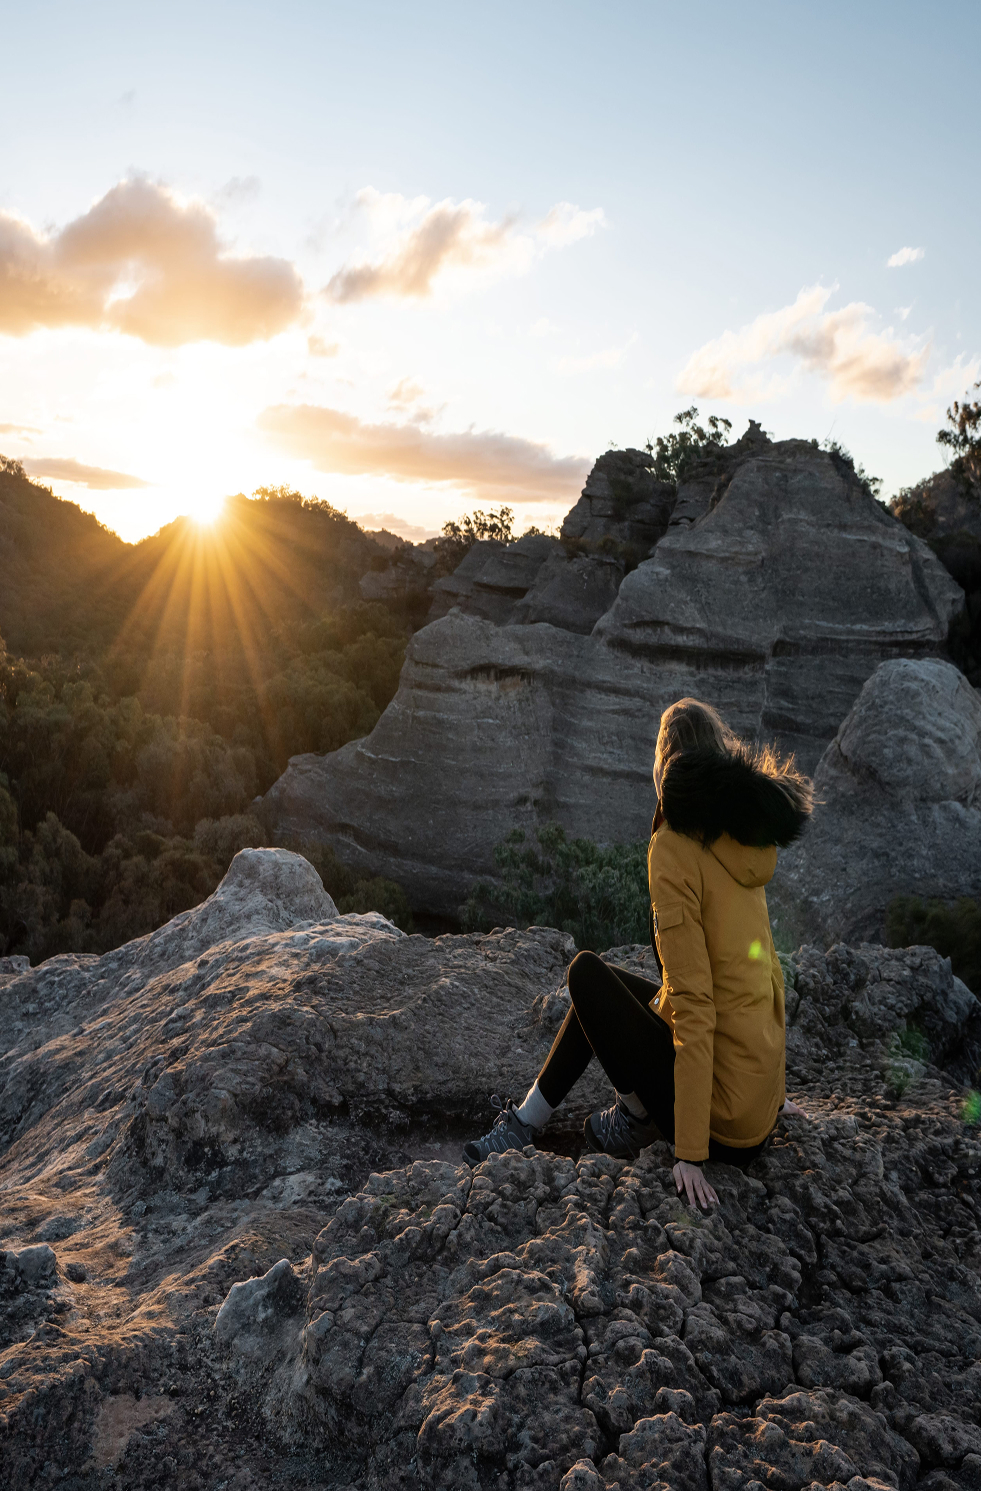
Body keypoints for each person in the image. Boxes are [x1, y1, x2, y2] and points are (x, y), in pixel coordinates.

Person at [463, 697, 813, 1208]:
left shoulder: (674, 848)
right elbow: (759, 974)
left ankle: (636, 1118)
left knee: (584, 974)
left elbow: (695, 1006)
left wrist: (690, 1152)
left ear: (665, 767)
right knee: (609, 988)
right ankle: (528, 1121)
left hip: (719, 1132)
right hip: (748, 1105)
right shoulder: (744, 833)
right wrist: (771, 1096)